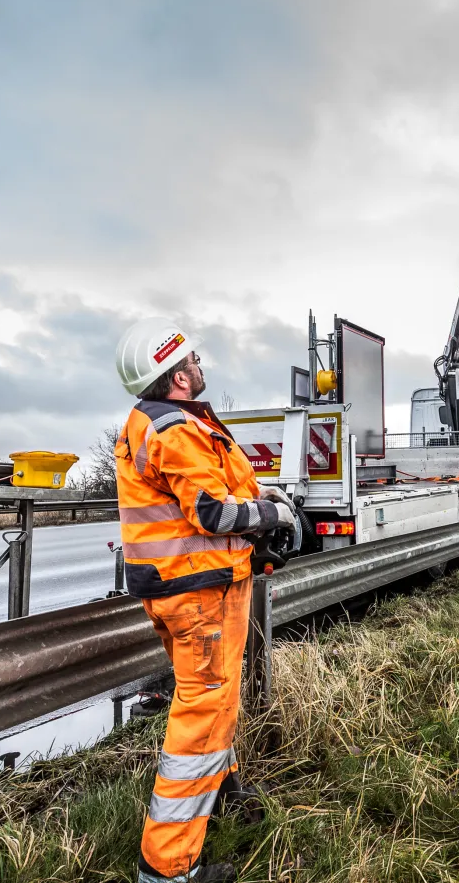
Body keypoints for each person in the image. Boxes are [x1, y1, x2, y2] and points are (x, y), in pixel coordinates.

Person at [113, 317, 296, 883]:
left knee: (211, 702)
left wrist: (263, 493)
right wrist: (274, 514)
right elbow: (212, 514)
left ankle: (223, 792)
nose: (201, 365)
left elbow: (214, 489)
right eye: (192, 360)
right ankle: (168, 868)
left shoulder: (163, 422)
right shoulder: (176, 429)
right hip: (200, 594)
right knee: (204, 710)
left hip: (189, 589)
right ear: (178, 377)